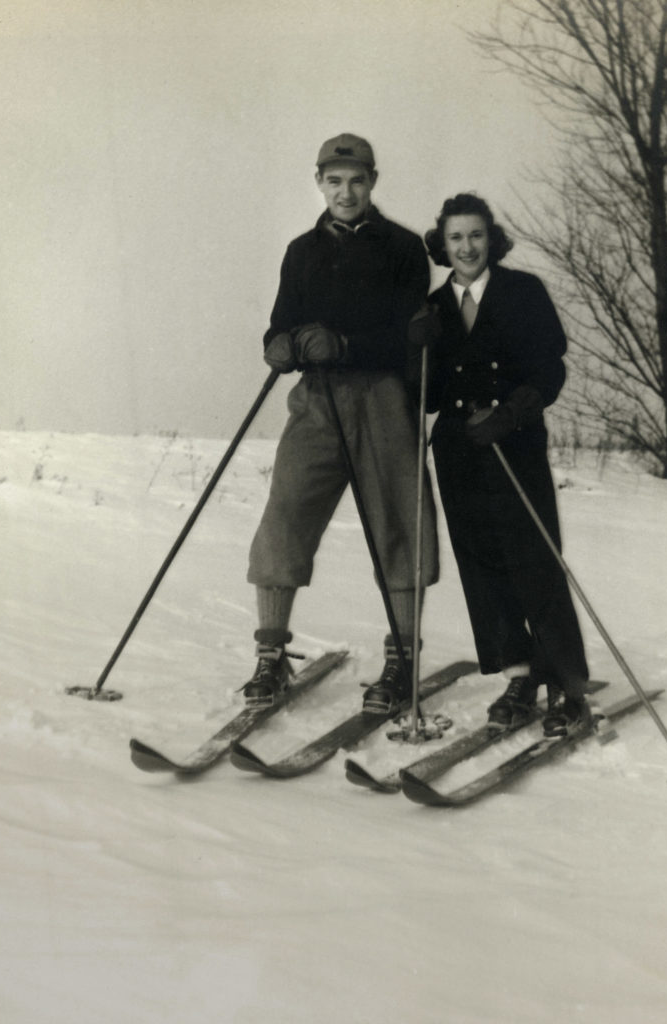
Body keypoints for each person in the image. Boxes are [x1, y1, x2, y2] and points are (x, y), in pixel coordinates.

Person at [244, 133, 439, 713]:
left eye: (356, 180)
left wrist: (344, 342)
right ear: (320, 182)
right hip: (318, 401)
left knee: (399, 525)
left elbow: (409, 333)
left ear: (373, 181)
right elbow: (282, 323)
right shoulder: (302, 251)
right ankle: (270, 656)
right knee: (285, 515)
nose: (345, 191)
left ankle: (402, 658)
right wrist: (280, 346)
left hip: (382, 398)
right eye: (334, 181)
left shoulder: (402, 247)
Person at [413, 193, 590, 737]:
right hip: (459, 451)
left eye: (475, 235)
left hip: (512, 445)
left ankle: (566, 682)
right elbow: (432, 395)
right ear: (442, 245)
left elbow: (549, 370)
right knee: (482, 561)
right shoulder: (435, 307)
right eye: (456, 238)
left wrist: (512, 411)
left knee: (533, 555)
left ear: (491, 239)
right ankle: (518, 675)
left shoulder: (523, 292)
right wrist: (414, 353)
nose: (466, 247)